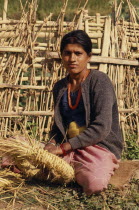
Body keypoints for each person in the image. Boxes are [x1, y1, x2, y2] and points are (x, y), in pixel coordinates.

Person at [44, 30, 123, 196]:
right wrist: (51, 144)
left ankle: (71, 168)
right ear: (62, 56)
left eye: (78, 53)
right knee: (15, 152)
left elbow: (101, 127)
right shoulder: (59, 87)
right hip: (68, 147)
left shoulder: (99, 81)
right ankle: (70, 166)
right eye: (67, 53)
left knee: (94, 183)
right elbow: (58, 126)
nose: (72, 59)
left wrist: (63, 148)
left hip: (97, 146)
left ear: (88, 56)